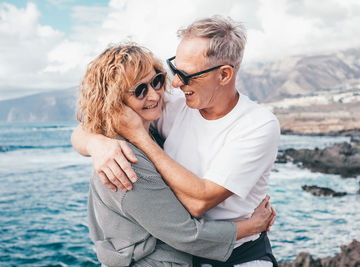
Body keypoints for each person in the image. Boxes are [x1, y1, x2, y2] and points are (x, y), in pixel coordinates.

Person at [72, 16, 280, 266]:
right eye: (172, 70)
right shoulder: (174, 105)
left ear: (224, 75)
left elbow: (197, 202)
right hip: (182, 254)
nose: (175, 84)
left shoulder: (257, 125)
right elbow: (88, 125)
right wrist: (97, 144)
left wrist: (140, 137)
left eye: (185, 75)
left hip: (238, 256)